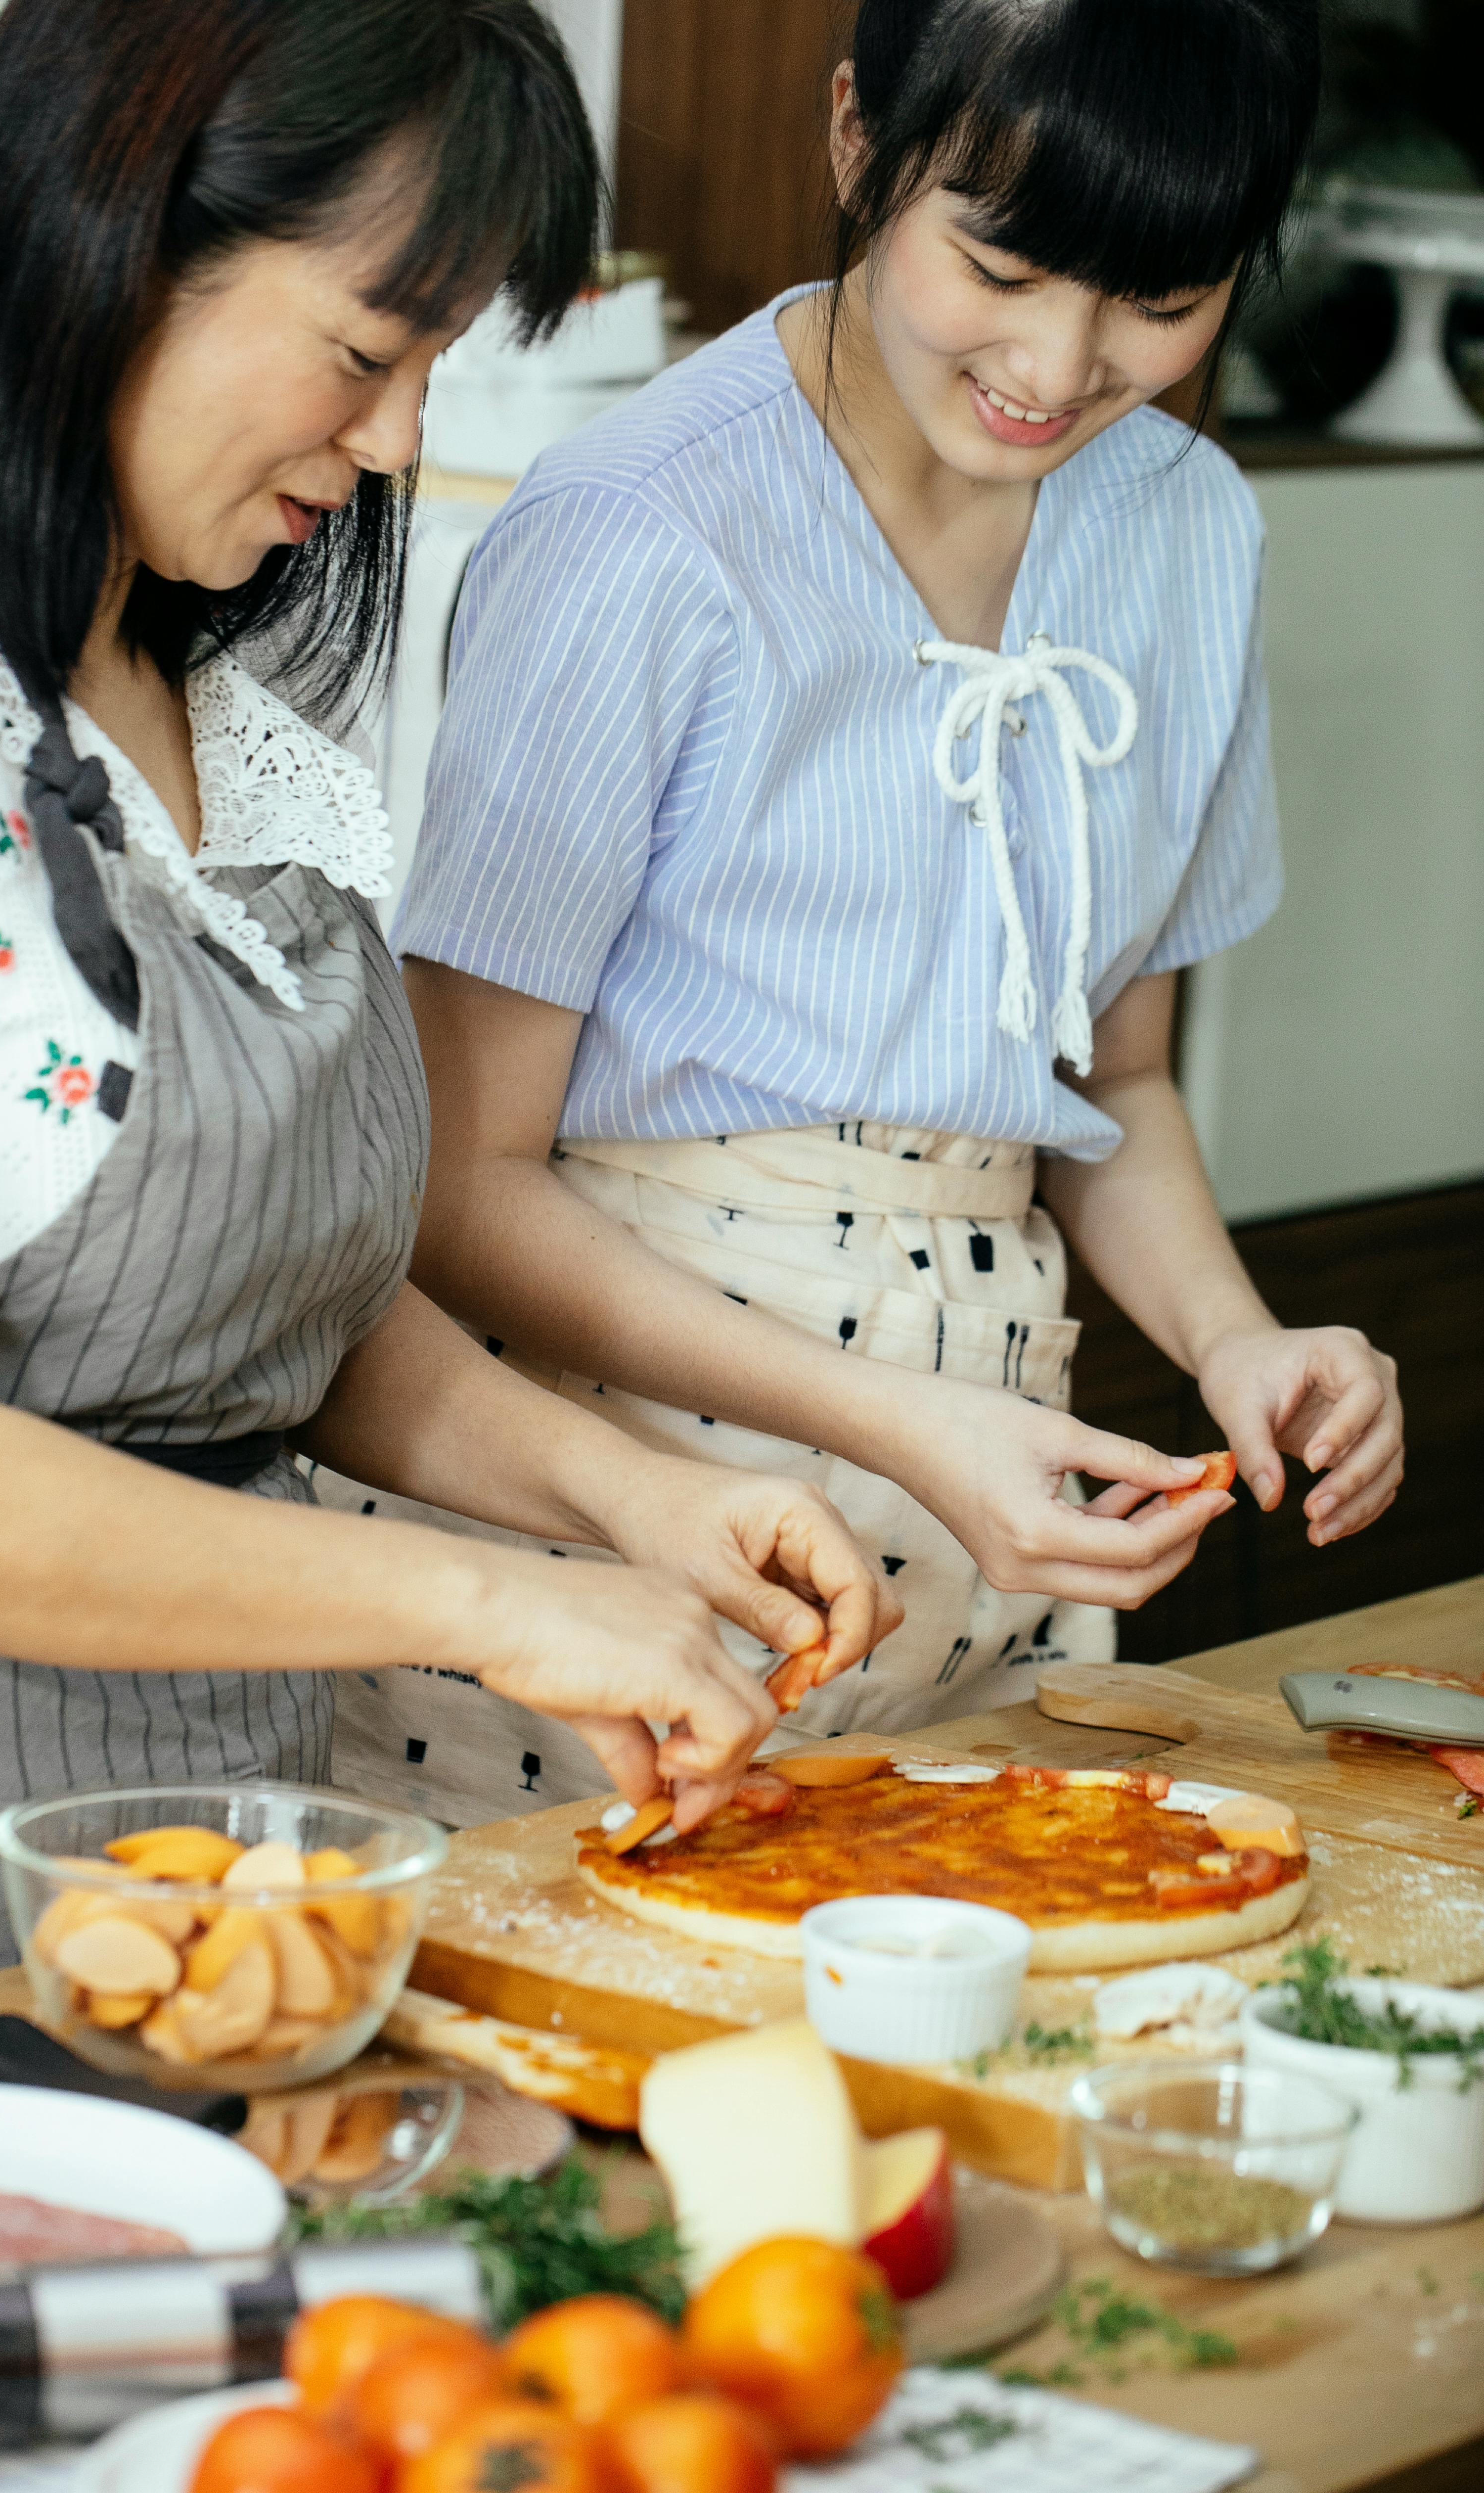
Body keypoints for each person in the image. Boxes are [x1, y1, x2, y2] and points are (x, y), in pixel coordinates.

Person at [0, 0, 899, 2013]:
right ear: (119, 234)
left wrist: (631, 1504)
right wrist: (499, 1606)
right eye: (366, 352)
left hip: (221, 1891)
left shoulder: (215, 703)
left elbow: (257, 1302)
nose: (403, 439)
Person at [341, 0, 1404, 1815]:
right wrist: (892, 1420)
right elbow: (457, 1183)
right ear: (857, 136)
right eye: (1002, 260)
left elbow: (1117, 1090)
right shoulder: (640, 528)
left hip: (985, 1494)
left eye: (1160, 298)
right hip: (622, 1490)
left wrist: (1240, 1344)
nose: (1060, 366)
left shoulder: (1190, 529)